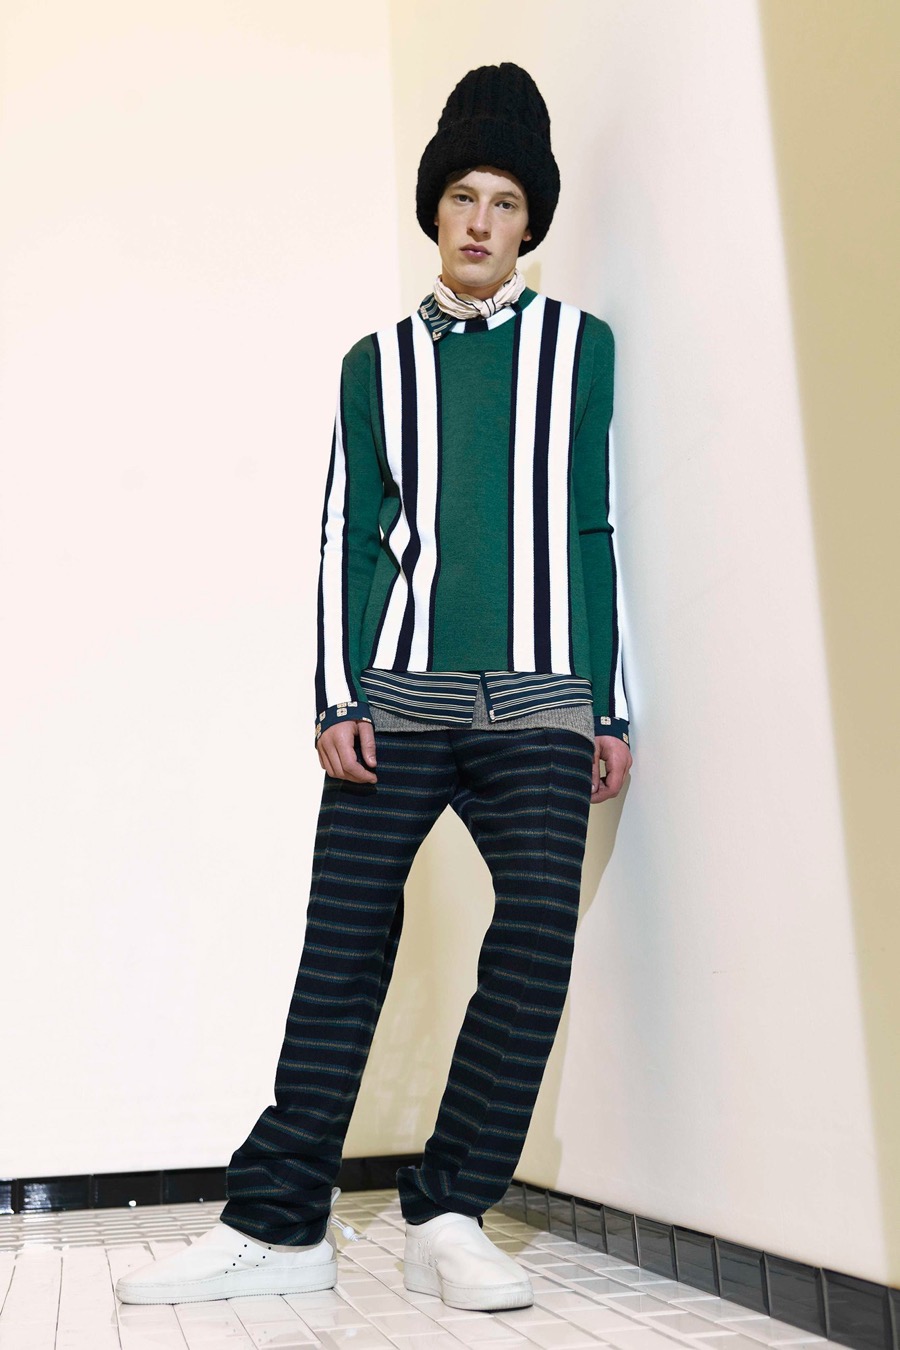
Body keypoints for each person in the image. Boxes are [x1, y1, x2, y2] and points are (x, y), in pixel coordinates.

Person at [116, 60, 633, 1313]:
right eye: (463, 195)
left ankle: (450, 1210)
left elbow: (594, 525)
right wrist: (334, 698)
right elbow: (348, 535)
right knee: (342, 949)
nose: (480, 222)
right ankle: (278, 1222)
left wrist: (611, 702)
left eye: (506, 202)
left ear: (530, 223)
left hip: (543, 699)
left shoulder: (582, 348)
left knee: (534, 948)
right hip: (396, 698)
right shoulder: (377, 362)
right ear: (434, 208)